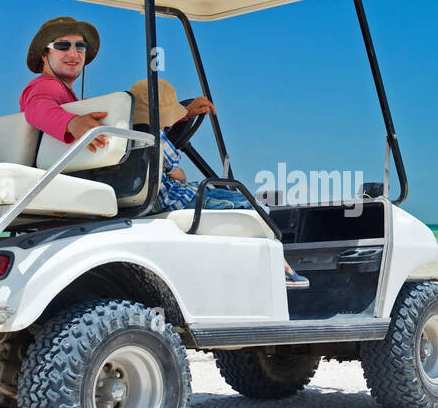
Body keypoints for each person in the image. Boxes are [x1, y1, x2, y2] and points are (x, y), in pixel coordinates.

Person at [129, 79, 310, 289]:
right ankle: (280, 267)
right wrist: (176, 171)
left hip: (150, 202)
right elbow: (178, 172)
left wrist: (186, 114)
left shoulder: (129, 135)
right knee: (248, 204)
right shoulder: (157, 139)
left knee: (218, 193)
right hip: (178, 201)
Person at [19, 16, 109, 153]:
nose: (74, 54)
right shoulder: (47, 85)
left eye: (80, 46)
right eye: (62, 46)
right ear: (44, 55)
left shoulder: (65, 94)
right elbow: (37, 108)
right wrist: (73, 123)